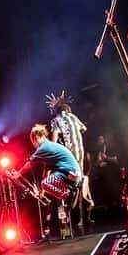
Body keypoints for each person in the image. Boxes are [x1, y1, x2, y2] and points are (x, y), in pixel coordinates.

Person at [46, 91, 93, 223]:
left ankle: (66, 213)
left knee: (63, 180)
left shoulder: (55, 120)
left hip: (69, 154)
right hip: (80, 151)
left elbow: (54, 141)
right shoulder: (73, 117)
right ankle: (85, 199)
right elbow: (84, 129)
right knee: (79, 174)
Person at [8, 124, 82, 204]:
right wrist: (42, 192)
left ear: (36, 138)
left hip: (70, 174)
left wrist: (17, 174)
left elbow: (29, 164)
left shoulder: (43, 148)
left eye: (33, 141)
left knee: (45, 183)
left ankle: (69, 194)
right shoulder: (50, 147)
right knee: (47, 183)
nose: (33, 145)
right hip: (71, 173)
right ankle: (69, 192)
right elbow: (46, 172)